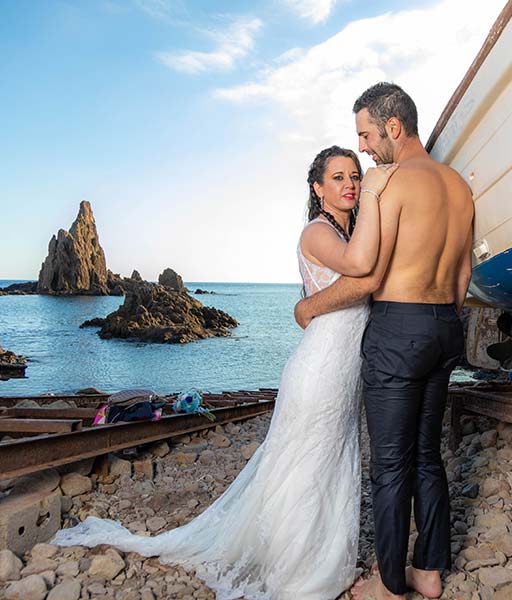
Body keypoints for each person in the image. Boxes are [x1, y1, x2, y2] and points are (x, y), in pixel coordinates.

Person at [51, 146, 397, 600]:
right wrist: (375, 192)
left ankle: (318, 556)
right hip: (321, 367)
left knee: (330, 460)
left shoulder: (351, 231)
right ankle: (297, 567)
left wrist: (308, 305)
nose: (350, 183)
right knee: (305, 464)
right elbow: (360, 271)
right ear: (318, 188)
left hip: (344, 367)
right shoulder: (317, 232)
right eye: (338, 177)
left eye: (355, 175)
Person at [294, 82, 474, 600]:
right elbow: (462, 275)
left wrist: (370, 190)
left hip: (399, 327)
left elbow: (366, 268)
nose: (366, 147)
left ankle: (391, 584)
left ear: (393, 127)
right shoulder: (458, 186)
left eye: (367, 135)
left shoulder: (388, 183)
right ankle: (430, 571)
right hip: (446, 326)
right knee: (428, 456)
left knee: (390, 464)